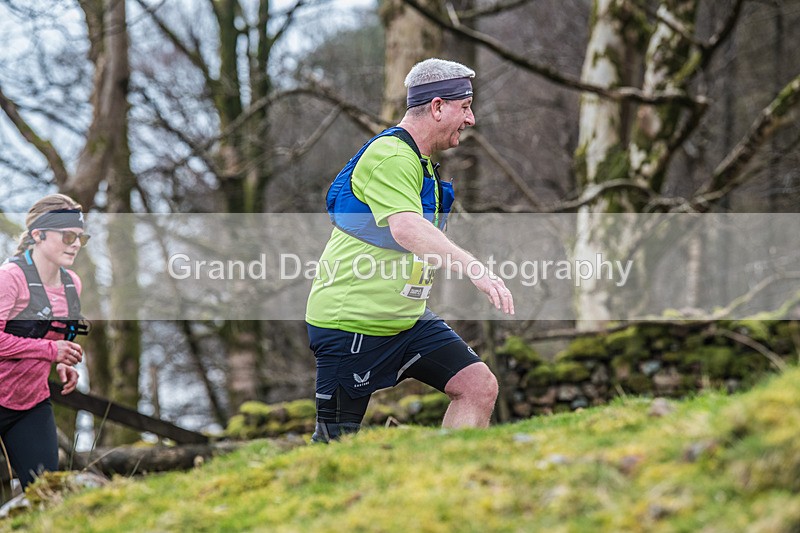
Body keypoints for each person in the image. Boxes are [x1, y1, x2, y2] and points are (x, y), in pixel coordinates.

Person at [306, 58, 514, 443]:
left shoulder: (421, 164)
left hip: (407, 321)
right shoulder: (391, 156)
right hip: (352, 324)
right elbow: (405, 226)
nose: (471, 119)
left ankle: (451, 482)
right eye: (465, 107)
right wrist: (475, 270)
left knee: (478, 386)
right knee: (334, 447)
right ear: (437, 107)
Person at [0, 194, 89, 490]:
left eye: (80, 237)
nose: (75, 243)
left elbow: (58, 334)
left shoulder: (71, 283)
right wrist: (51, 351)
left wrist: (63, 362)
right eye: (67, 236)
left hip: (30, 403)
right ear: (38, 235)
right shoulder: (10, 278)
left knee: (47, 493)